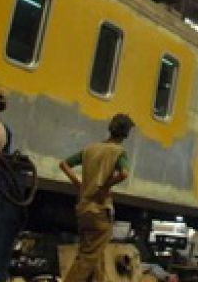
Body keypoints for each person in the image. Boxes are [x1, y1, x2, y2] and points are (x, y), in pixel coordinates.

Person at [58, 113, 135, 282]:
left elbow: (64, 164)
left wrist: (80, 185)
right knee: (87, 257)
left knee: (96, 255)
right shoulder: (118, 152)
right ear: (126, 134)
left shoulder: (90, 149)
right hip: (99, 210)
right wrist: (106, 186)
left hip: (83, 208)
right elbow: (124, 173)